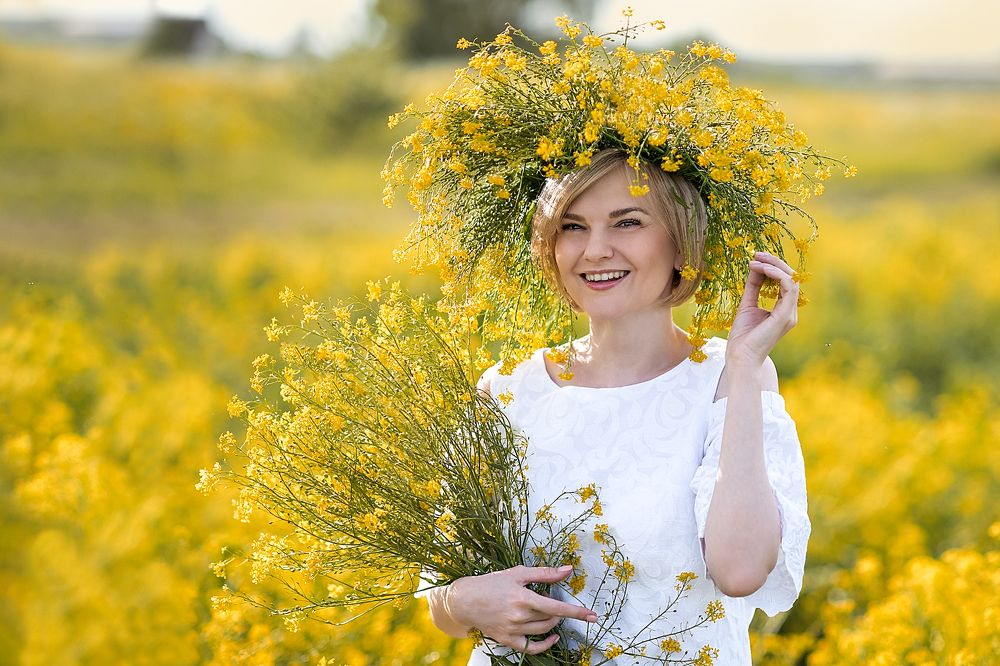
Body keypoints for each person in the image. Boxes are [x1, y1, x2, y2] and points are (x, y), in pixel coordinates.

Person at [423, 148, 811, 664]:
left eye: (626, 222)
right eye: (572, 227)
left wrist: (743, 366)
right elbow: (443, 602)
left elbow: (739, 572)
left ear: (682, 244)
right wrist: (469, 599)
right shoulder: (506, 392)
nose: (596, 250)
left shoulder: (730, 379)